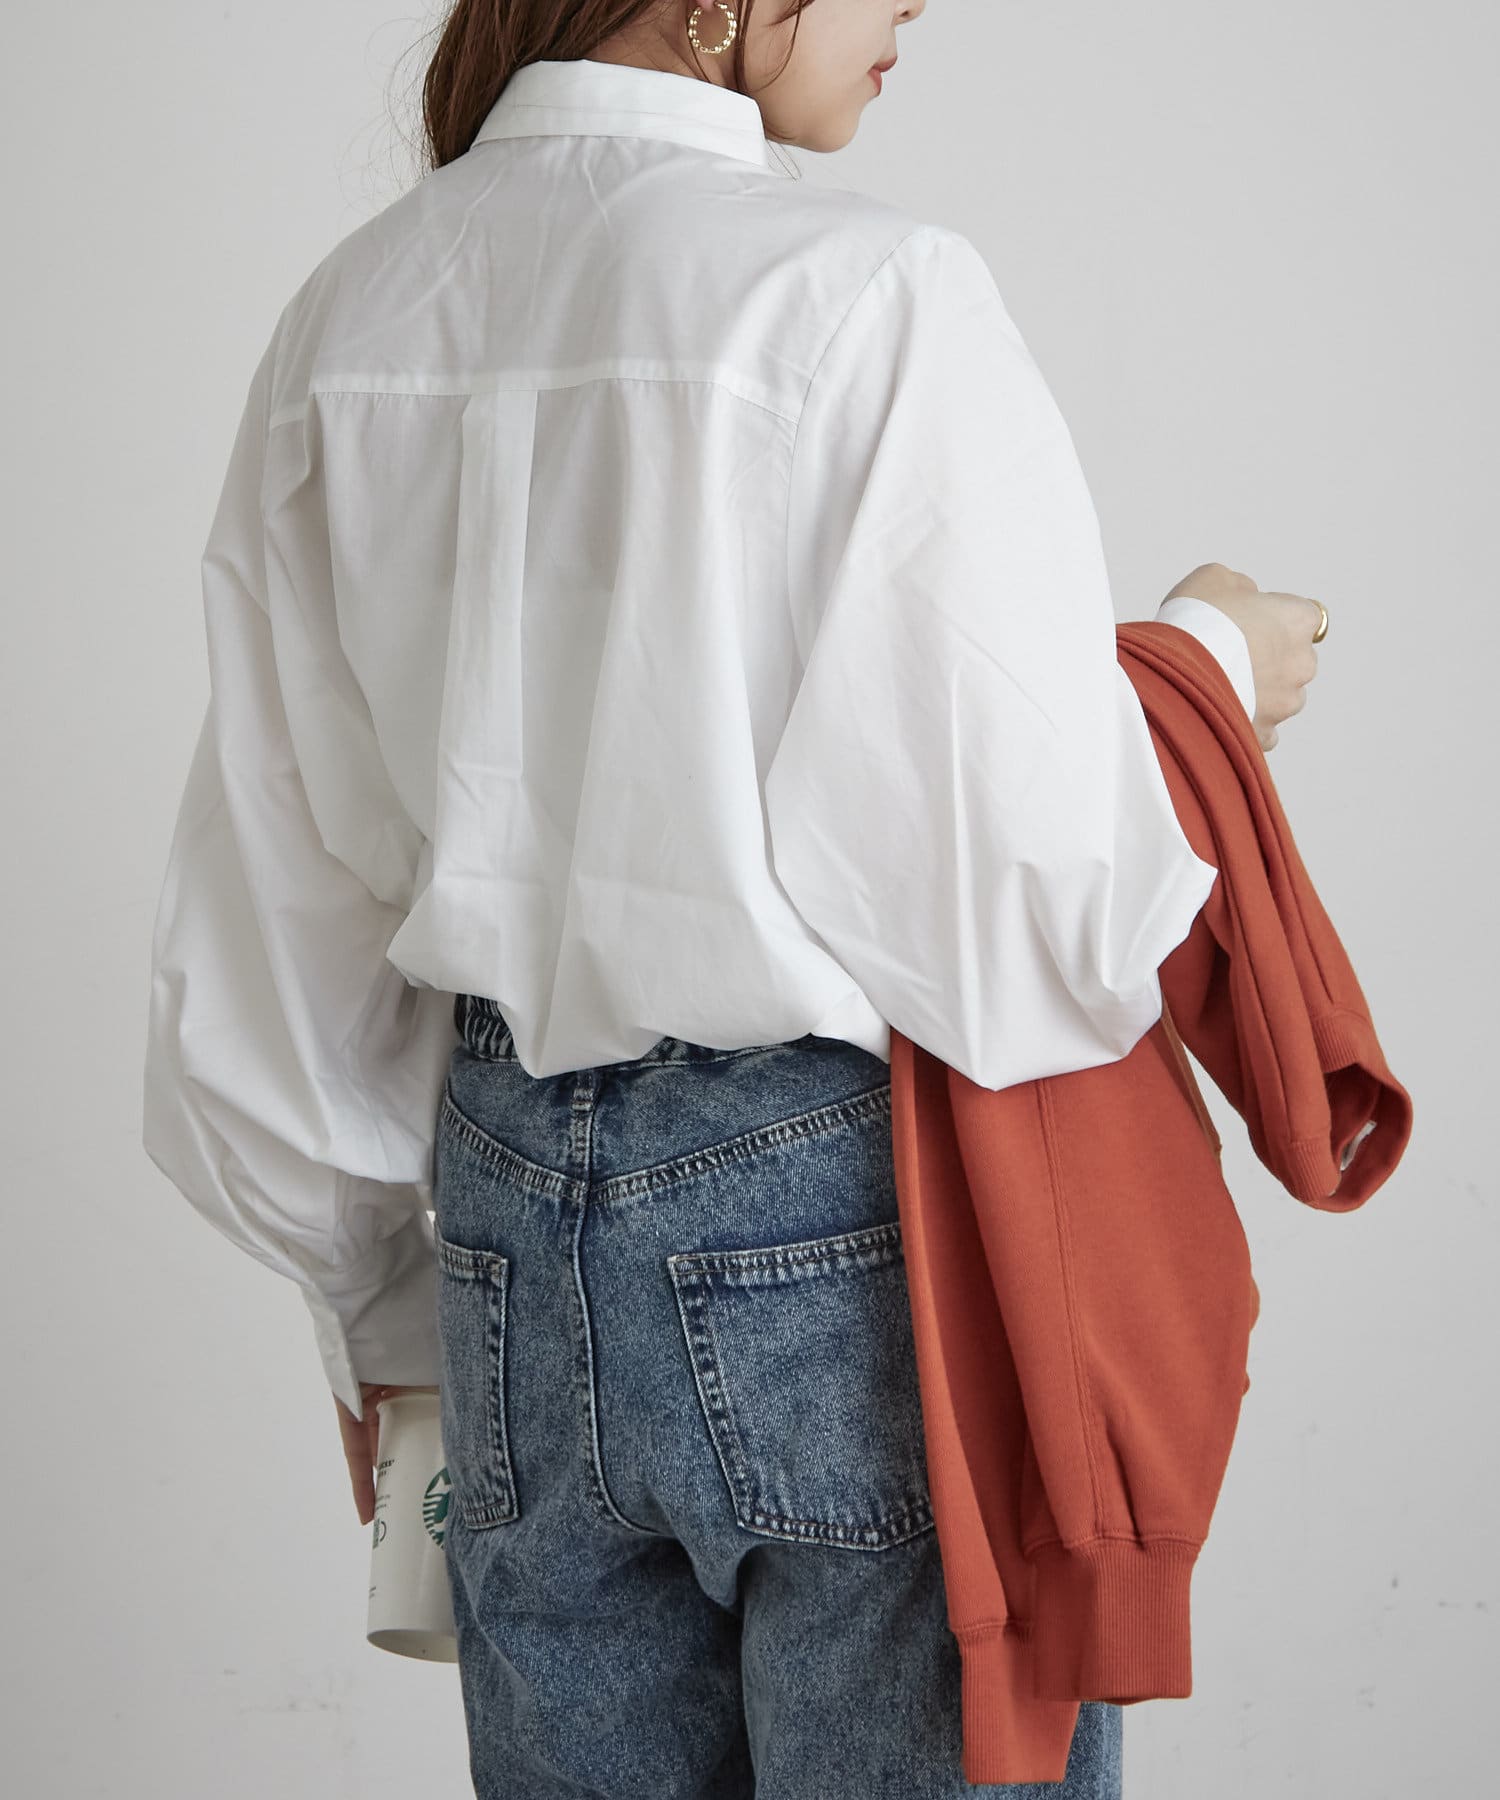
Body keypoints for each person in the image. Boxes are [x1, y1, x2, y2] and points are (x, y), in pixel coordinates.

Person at [143, 2, 1324, 1794]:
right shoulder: (870, 293)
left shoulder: (351, 315)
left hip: (501, 1241)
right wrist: (1205, 670)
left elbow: (275, 905)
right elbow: (1036, 910)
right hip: (836, 1228)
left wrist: (387, 1331)